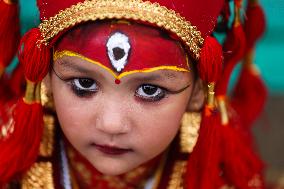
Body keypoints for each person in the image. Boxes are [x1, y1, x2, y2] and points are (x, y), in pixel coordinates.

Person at [0, 0, 268, 188]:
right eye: (84, 84)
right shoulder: (10, 168)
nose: (111, 124)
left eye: (149, 90)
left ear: (199, 91)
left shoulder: (223, 175)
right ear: (44, 77)